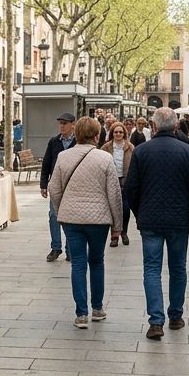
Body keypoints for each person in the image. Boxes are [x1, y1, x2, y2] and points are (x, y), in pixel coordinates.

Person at [124, 107, 189, 340]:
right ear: (175, 125)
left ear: (153, 125)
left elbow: (131, 189)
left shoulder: (141, 152)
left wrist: (140, 212)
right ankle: (176, 315)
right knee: (178, 267)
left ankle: (156, 321)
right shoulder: (188, 152)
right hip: (179, 220)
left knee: (151, 269)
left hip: (150, 219)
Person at [48, 117, 122, 329]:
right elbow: (114, 195)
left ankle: (81, 313)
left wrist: (63, 208)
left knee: (78, 263)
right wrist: (117, 225)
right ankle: (97, 308)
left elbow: (54, 189)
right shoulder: (105, 158)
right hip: (98, 220)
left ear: (77, 134)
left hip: (72, 219)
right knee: (97, 261)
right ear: (97, 135)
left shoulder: (63, 157)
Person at [40, 112, 77, 262]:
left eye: (65, 123)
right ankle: (56, 247)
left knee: (71, 218)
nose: (62, 126)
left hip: (73, 185)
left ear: (73, 125)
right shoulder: (54, 142)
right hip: (56, 185)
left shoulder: (78, 142)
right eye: (60, 123)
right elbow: (46, 163)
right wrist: (43, 184)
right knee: (53, 216)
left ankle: (70, 250)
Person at [100, 122, 134, 246]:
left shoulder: (130, 147)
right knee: (112, 208)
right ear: (112, 133)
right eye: (116, 132)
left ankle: (124, 232)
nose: (118, 134)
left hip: (126, 181)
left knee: (125, 208)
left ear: (124, 133)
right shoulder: (105, 148)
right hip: (110, 181)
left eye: (120, 132)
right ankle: (114, 235)